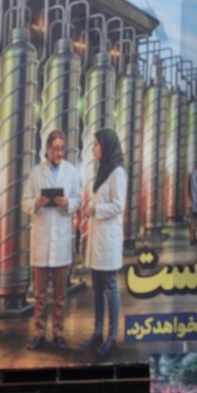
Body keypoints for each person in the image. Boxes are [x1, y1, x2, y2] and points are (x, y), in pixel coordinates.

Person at [22, 129, 82, 351]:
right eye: (55, 149)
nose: (58, 153)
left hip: (61, 240)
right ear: (47, 149)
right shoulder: (36, 173)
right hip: (41, 238)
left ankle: (58, 333)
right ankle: (38, 333)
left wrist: (68, 203)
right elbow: (25, 201)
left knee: (59, 295)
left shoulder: (72, 172)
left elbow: (78, 198)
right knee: (39, 294)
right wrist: (36, 203)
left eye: (61, 149)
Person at [82, 128, 127, 358]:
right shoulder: (102, 170)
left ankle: (112, 336)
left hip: (107, 240)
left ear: (107, 146)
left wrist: (95, 209)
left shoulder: (117, 172)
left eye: (96, 144)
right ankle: (98, 332)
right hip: (97, 239)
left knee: (111, 290)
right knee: (97, 290)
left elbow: (119, 205)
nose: (94, 148)